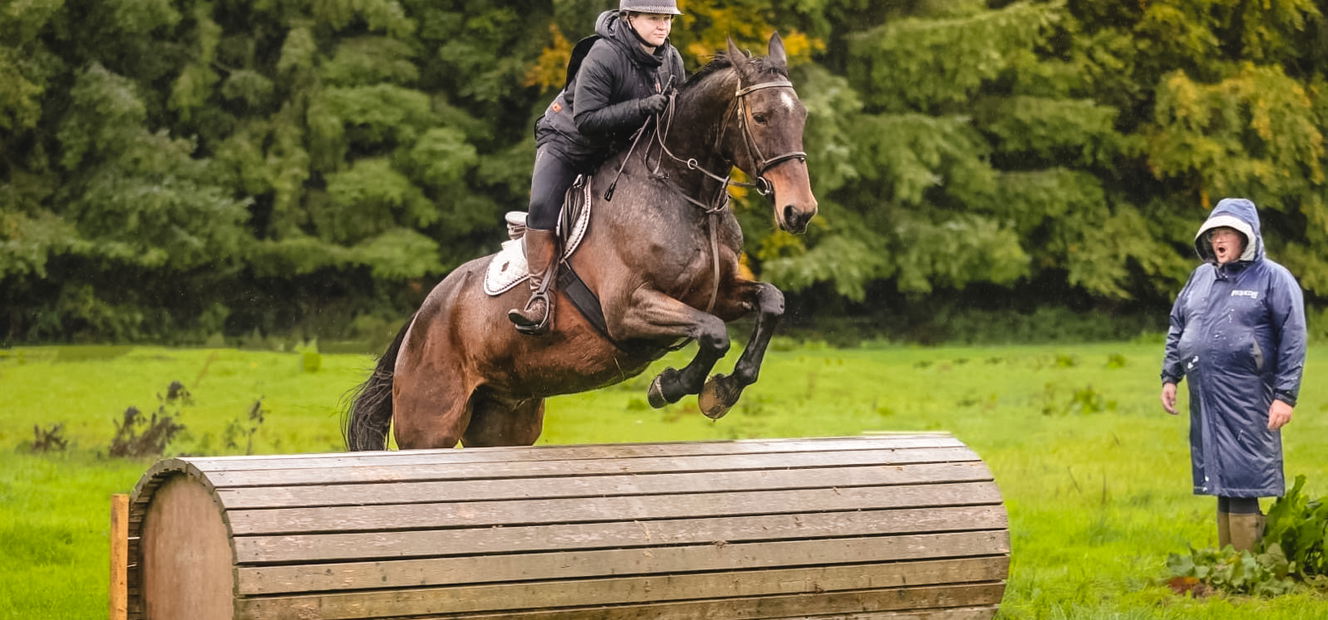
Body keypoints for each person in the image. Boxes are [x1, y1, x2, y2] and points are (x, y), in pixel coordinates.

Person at [507, 1, 687, 335]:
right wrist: (642, 106)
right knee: (542, 205)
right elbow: (587, 119)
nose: (663, 26)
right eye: (654, 18)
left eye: (667, 19)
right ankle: (540, 299)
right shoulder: (604, 54)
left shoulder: (671, 60)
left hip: (618, 150)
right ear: (629, 18)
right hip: (568, 143)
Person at [1159, 197, 1307, 552]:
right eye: (1214, 234)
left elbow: (1293, 337)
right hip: (1206, 396)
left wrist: (1285, 396)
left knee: (1244, 474)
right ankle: (1230, 565)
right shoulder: (1200, 277)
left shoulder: (1274, 278)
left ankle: (1248, 565)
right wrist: (1170, 376)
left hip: (1249, 394)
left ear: (1247, 237)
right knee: (1219, 477)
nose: (1219, 240)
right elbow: (1179, 325)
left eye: (1227, 232)